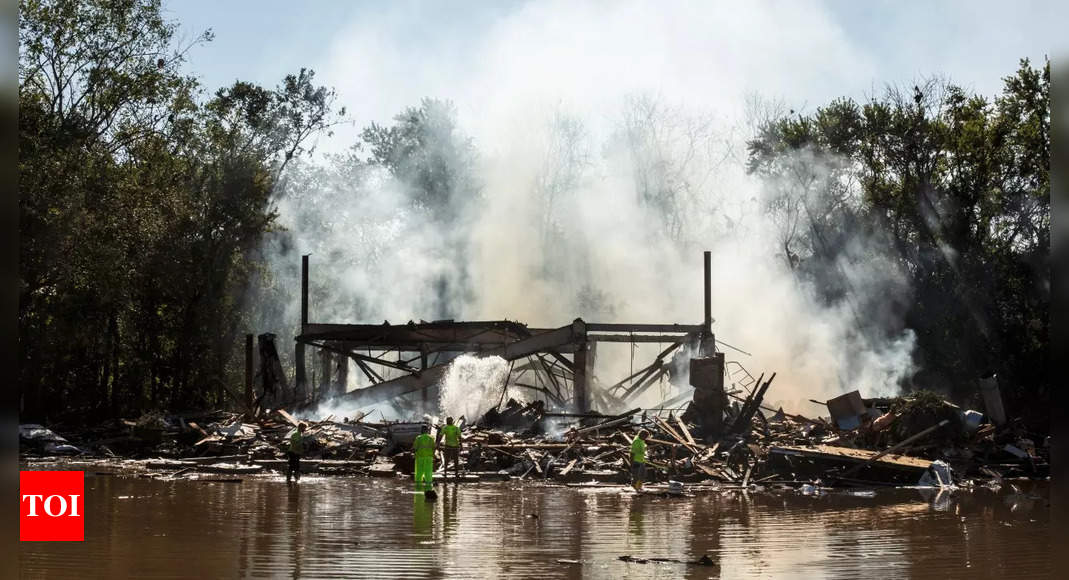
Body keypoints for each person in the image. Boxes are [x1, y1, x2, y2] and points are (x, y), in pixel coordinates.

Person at [413, 424, 436, 489]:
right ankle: (428, 487)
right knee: (428, 472)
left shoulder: (418, 438)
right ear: (427, 430)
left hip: (420, 457)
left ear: (422, 430)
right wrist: (432, 455)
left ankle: (418, 487)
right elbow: (434, 448)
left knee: (419, 472)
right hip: (429, 457)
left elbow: (415, 448)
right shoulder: (431, 438)